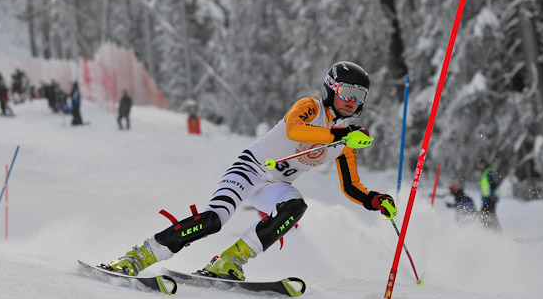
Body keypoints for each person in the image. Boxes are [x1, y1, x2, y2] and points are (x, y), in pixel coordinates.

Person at [107, 61, 397, 280]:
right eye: (347, 92)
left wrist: (375, 200)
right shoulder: (310, 107)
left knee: (296, 206)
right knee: (213, 219)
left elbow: (351, 187)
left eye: (360, 96)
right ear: (332, 89)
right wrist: (338, 137)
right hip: (250, 168)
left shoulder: (347, 141)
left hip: (274, 186)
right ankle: (140, 255)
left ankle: (229, 261)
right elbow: (296, 130)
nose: (352, 101)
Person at [478, 159, 501, 231]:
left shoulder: (488, 172)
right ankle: (491, 230)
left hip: (490, 199)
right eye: (480, 165)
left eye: (482, 165)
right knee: (486, 215)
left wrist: (491, 196)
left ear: (485, 164)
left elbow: (494, 185)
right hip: (487, 199)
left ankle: (496, 231)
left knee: (489, 215)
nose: (480, 166)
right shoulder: (485, 173)